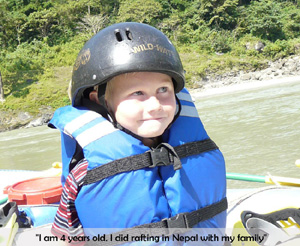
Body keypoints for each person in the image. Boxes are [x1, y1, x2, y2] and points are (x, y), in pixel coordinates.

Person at [49, 22, 227, 241]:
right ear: (101, 102)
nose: (155, 105)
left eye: (163, 90)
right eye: (137, 93)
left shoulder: (195, 147)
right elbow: (69, 237)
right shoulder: (84, 172)